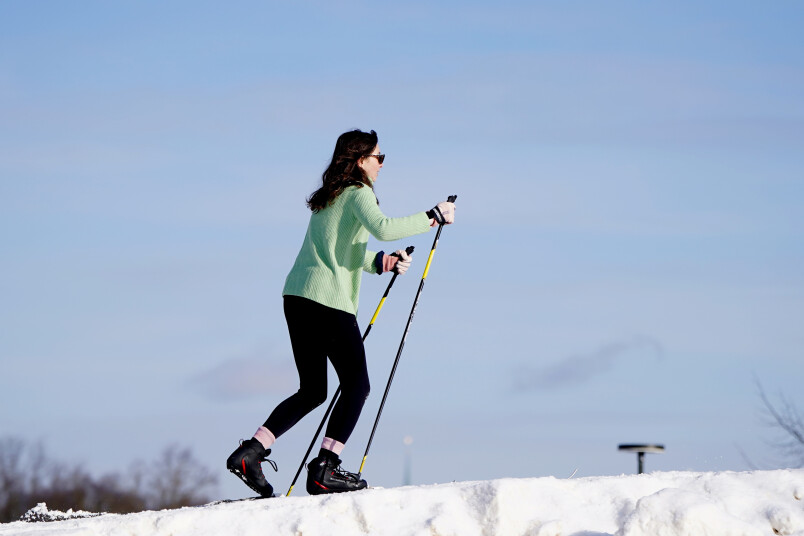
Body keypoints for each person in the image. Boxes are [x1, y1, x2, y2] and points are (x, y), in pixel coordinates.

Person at [226, 129, 456, 497]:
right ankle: (325, 469)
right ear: (360, 159)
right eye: (379, 157)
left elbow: (340, 254)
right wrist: (433, 216)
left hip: (298, 298)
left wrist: (382, 263)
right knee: (357, 385)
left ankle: (250, 453)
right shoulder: (358, 192)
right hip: (328, 301)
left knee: (313, 390)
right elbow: (384, 228)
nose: (382, 164)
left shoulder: (329, 197)